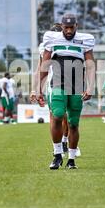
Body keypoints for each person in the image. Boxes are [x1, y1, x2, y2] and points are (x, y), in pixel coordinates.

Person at [38, 14, 95, 169]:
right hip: (57, 84)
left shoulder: (86, 40)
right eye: (66, 27)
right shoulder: (51, 38)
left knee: (73, 124)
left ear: (77, 26)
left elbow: (89, 65)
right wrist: (39, 88)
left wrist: (90, 87)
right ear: (61, 27)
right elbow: (44, 64)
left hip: (76, 87)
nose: (69, 30)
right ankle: (57, 155)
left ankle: (71, 159)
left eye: (72, 27)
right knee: (56, 116)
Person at [30, 23, 80, 157]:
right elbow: (40, 68)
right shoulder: (45, 46)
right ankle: (57, 147)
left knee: (70, 117)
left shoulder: (74, 43)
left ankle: (67, 141)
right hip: (53, 84)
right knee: (56, 115)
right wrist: (35, 89)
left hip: (70, 82)